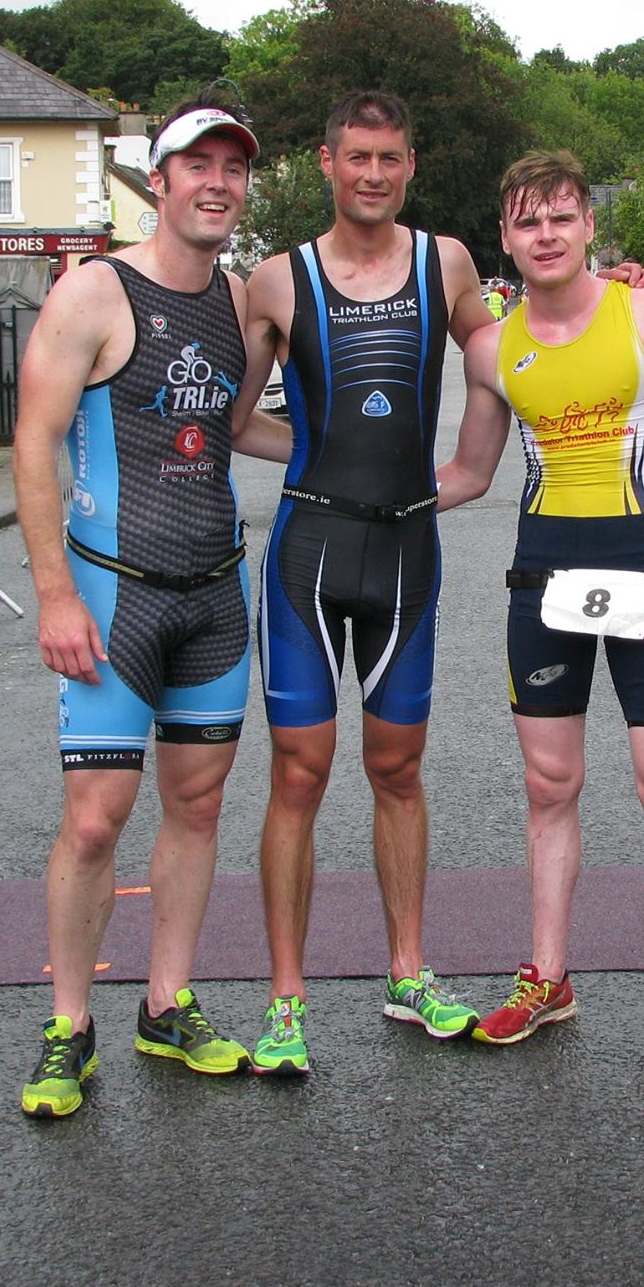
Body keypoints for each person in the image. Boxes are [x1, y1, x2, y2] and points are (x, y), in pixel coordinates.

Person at [436, 150, 644, 1069]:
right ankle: (548, 976)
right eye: (526, 222)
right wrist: (342, 485)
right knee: (549, 787)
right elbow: (469, 475)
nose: (545, 235)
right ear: (506, 240)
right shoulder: (494, 348)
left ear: (590, 224)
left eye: (561, 216)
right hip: (543, 587)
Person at [230, 91, 494, 1075]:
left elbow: (497, 361)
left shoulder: (447, 263)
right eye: (356, 159)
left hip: (404, 555)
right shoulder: (277, 280)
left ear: (408, 164)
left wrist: (466, 471)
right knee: (297, 774)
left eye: (389, 158)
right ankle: (286, 1001)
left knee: (397, 771)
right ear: (326, 164)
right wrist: (311, 452)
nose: (373, 175)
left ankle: (407, 973)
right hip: (308, 554)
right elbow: (229, 418)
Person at [11, 96, 261, 1117]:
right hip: (113, 598)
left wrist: (375, 464)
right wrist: (53, 595)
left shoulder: (243, 301)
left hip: (212, 597)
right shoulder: (93, 290)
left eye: (231, 169)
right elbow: (32, 443)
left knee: (195, 807)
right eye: (193, 166)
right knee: (93, 819)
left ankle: (167, 1004)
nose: (214, 183)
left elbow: (245, 428)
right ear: (155, 182)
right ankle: (69, 1023)